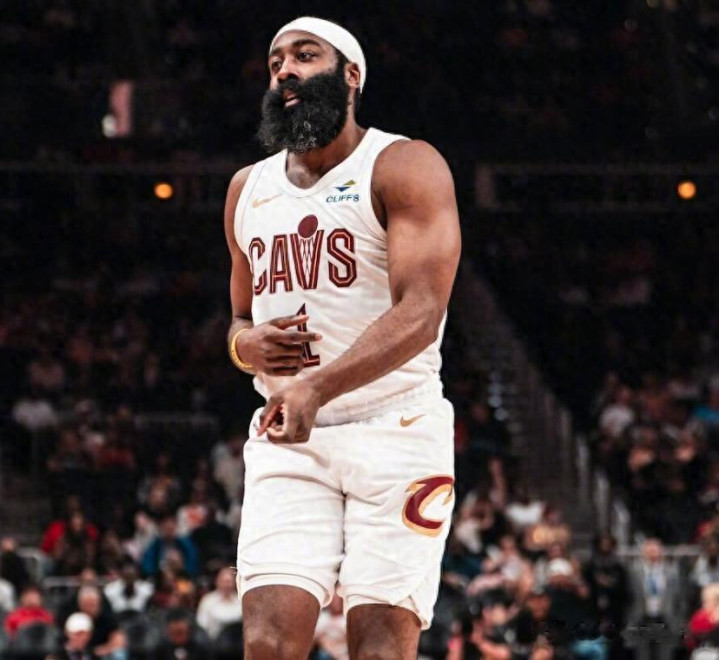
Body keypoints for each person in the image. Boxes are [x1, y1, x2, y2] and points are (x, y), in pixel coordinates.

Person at [224, 15, 460, 659]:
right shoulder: (247, 188)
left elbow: (423, 312)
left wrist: (317, 386)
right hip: (289, 435)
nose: (286, 71)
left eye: (305, 56)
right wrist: (245, 348)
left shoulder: (403, 164)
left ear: (351, 75)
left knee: (379, 648)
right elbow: (239, 320)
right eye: (276, 62)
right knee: (267, 644)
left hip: (397, 428)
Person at [195, 567, 242, 640]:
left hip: (238, 642)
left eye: (229, 581)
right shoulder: (207, 600)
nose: (227, 585)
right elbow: (202, 625)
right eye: (224, 581)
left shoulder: (241, 600)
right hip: (214, 642)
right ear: (217, 582)